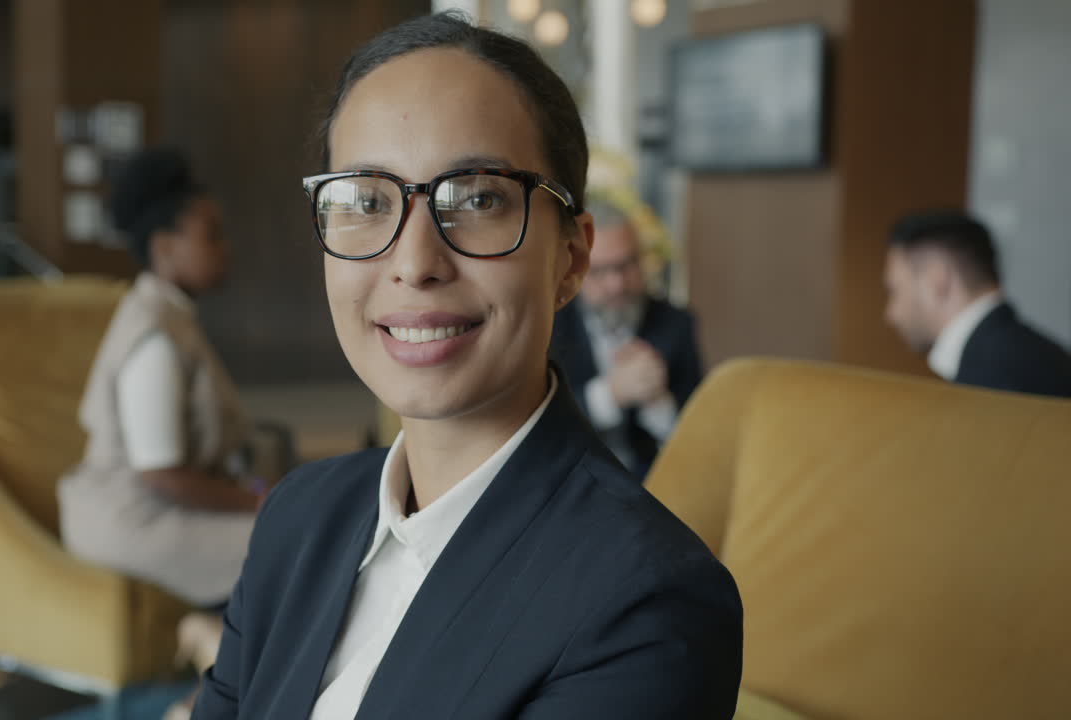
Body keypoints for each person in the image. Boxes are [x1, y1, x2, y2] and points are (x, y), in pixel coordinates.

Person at [192, 13, 741, 720]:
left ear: (571, 258)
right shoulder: (299, 517)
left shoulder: (649, 603)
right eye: (367, 201)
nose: (415, 263)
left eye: (478, 198)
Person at [58, 147, 265, 609]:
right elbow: (161, 474)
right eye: (212, 235)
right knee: (291, 542)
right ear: (165, 247)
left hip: (156, 507)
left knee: (296, 531)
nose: (226, 247)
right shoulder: (153, 335)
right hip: (132, 519)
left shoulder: (170, 315)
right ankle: (208, 638)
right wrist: (259, 501)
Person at [551, 202, 704, 478]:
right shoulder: (550, 324)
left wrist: (658, 401)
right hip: (569, 481)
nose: (617, 285)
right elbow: (543, 427)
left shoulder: (675, 324)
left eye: (626, 265)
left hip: (652, 484)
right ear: (574, 270)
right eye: (600, 271)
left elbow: (699, 438)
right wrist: (610, 395)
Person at [884, 210, 1071, 397]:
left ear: (937, 280)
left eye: (895, 291)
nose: (891, 314)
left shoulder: (992, 373)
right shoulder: (1033, 354)